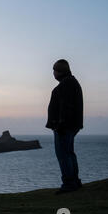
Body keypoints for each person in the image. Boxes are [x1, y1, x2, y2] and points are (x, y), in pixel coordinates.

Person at [46, 59, 83, 194]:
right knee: (69, 153)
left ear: (60, 71)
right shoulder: (71, 83)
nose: (53, 73)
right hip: (70, 125)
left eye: (55, 70)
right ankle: (74, 181)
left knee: (63, 155)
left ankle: (69, 184)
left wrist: (60, 125)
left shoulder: (66, 85)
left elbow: (66, 107)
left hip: (64, 126)